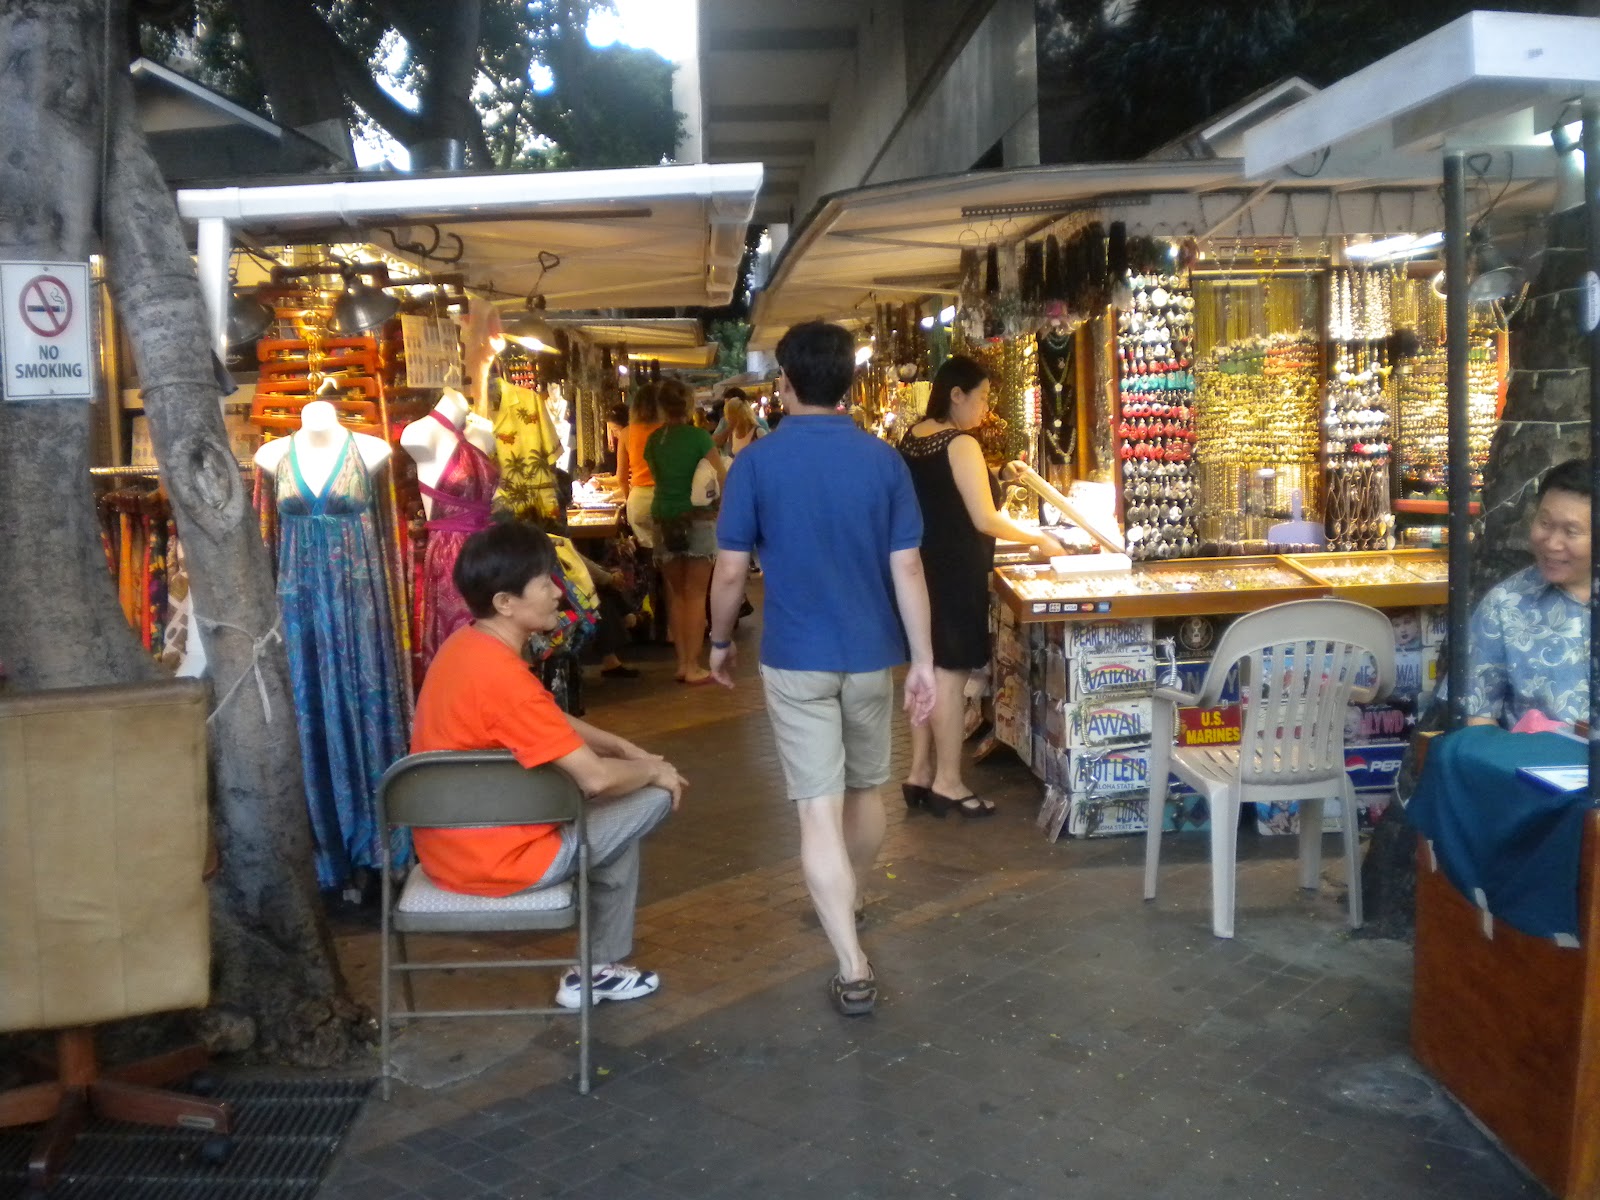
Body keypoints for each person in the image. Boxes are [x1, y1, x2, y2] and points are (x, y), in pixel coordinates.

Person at [706, 320, 936, 1017]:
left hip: (796, 658)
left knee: (816, 810)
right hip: (871, 657)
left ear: (786, 382)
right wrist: (924, 661)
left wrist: (717, 643)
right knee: (868, 792)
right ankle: (852, 892)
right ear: (848, 382)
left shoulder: (756, 463)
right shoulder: (883, 461)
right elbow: (909, 567)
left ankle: (851, 962)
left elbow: (727, 571)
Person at [410, 519, 684, 1006]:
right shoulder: (503, 680)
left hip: (447, 849)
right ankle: (595, 969)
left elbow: (547, 715)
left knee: (618, 829)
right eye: (544, 583)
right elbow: (596, 780)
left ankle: (600, 967)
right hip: (499, 861)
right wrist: (654, 770)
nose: (559, 592)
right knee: (650, 796)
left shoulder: (466, 647)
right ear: (505, 603)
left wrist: (622, 746)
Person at [898, 356, 1069, 816]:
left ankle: (918, 773)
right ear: (957, 394)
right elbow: (984, 518)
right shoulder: (959, 443)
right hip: (954, 573)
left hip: (919, 569)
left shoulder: (912, 438)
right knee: (948, 678)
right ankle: (949, 782)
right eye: (983, 397)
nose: (986, 408)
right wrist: (1039, 537)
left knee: (925, 672)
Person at [1465, 458, 1592, 729]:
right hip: (1531, 765)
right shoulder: (1505, 605)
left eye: (1571, 531)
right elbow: (1477, 717)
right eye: (1545, 524)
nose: (1552, 543)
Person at [645, 379, 726, 684]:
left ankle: (681, 663)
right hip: (698, 520)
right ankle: (693, 666)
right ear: (689, 405)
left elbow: (658, 477)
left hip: (663, 519)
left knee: (676, 596)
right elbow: (719, 477)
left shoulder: (654, 441)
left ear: (662, 407)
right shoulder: (699, 438)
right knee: (695, 596)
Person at [616, 383, 662, 550]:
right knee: (669, 554)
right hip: (667, 497)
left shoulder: (627, 432)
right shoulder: (669, 430)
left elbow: (621, 477)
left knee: (646, 553)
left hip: (639, 500)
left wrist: (629, 498)